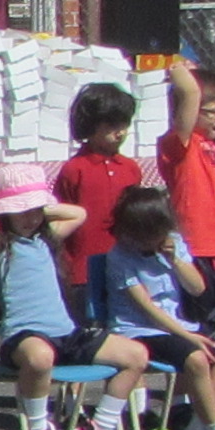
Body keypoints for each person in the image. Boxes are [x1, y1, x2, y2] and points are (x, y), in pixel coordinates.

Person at [0, 175, 151, 430]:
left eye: (36, 211)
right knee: (40, 358)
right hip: (24, 336)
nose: (31, 218)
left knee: (136, 355)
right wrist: (2, 206)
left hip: (66, 334)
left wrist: (39, 208)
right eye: (22, 211)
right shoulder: (0, 245)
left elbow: (78, 214)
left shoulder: (47, 238)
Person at [83, 187, 215, 430]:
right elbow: (147, 308)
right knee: (195, 357)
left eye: (155, 235)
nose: (148, 243)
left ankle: (193, 428)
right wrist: (187, 336)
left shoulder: (174, 244)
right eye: (141, 237)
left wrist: (175, 260)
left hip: (181, 326)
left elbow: (197, 288)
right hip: (141, 330)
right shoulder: (120, 257)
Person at [154, 60, 215, 327]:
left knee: (212, 327)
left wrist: (198, 72)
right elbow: (191, 95)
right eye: (214, 112)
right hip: (193, 249)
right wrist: (179, 72)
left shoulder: (208, 141)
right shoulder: (179, 144)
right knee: (197, 326)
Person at [52, 84, 145, 286]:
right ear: (91, 125)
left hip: (125, 268)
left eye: (124, 125)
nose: (120, 132)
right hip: (82, 270)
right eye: (111, 125)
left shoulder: (130, 168)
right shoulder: (75, 169)